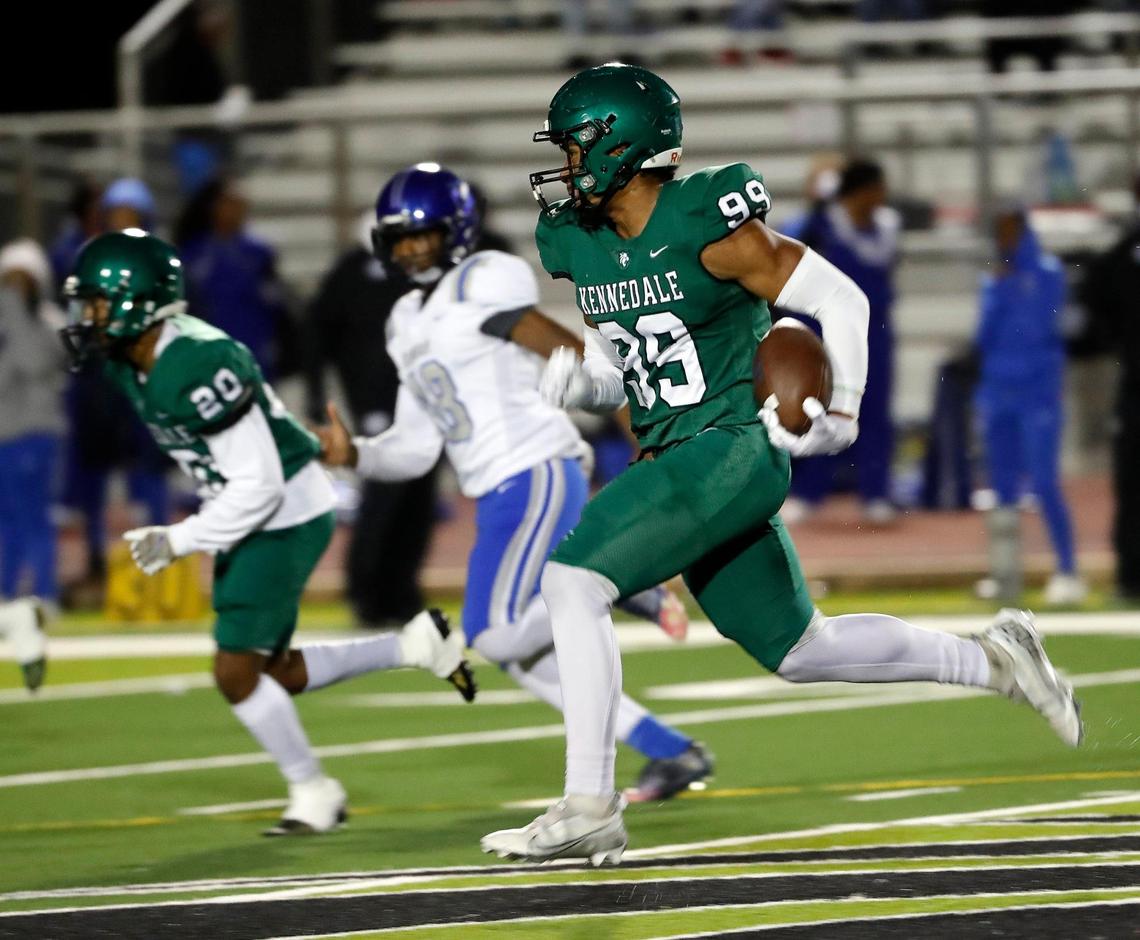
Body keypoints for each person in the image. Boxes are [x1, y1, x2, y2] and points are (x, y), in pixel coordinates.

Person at [481, 63, 1082, 866]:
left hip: (730, 443)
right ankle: (997, 659)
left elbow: (841, 300)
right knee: (802, 650)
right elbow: (627, 367)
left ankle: (590, 804)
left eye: (575, 145)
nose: (565, 164)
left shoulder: (708, 223)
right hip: (680, 454)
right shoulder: (580, 241)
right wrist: (586, 384)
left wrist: (843, 413)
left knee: (572, 580)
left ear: (621, 144)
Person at [317, 163, 711, 803]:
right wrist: (354, 453)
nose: (412, 249)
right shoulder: (404, 320)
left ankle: (616, 581)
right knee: (520, 654)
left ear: (456, 230)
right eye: (400, 238)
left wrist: (633, 421)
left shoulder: (482, 278)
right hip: (501, 488)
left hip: (535, 468)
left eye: (424, 234)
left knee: (493, 631)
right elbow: (414, 449)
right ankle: (671, 751)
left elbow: (560, 348)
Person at [60, 229, 476, 835]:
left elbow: (259, 484)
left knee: (235, 672)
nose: (86, 318)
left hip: (281, 510)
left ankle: (313, 789)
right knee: (273, 669)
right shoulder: (134, 361)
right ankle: (413, 646)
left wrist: (180, 539)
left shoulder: (194, 363)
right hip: (256, 506)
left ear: (136, 303)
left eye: (96, 304)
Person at [303, 213, 437, 628]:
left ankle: (402, 590)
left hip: (421, 401)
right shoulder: (351, 272)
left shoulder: (420, 273)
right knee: (383, 499)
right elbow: (316, 331)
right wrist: (315, 391)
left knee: (418, 499)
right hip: (376, 400)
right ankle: (366, 591)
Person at [974, 205, 1085, 606]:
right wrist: (997, 292)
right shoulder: (993, 280)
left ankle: (1068, 570)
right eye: (999, 232)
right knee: (1002, 485)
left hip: (1039, 394)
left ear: (1023, 231)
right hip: (998, 390)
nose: (1003, 240)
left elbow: (1046, 327)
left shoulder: (1049, 274)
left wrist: (1007, 288)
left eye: (1009, 231)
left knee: (1043, 481)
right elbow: (983, 336)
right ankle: (1005, 574)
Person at [782, 158, 899, 525]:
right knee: (821, 409)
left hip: (875, 332)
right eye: (876, 189)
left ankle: (875, 493)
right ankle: (808, 492)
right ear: (860, 191)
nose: (882, 196)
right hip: (828, 331)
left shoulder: (887, 227)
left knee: (874, 411)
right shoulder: (820, 224)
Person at [0, 239, 65, 690]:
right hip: (4, 435)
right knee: (6, 521)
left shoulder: (48, 322)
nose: (13, 289)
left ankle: (44, 596)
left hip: (36, 434)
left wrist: (13, 313)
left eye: (20, 282)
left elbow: (32, 362)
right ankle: (7, 599)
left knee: (34, 519)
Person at [1082, 175, 1140, 600]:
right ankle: (1131, 577)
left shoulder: (1120, 255)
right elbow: (1096, 315)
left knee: (1133, 482)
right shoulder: (1120, 256)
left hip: (1134, 383)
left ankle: (1130, 578)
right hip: (1136, 386)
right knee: (1133, 482)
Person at [177, 177, 296, 381]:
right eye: (228, 204)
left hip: (254, 354)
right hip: (209, 356)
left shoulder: (259, 254)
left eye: (240, 205)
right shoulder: (193, 254)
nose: (235, 211)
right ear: (213, 207)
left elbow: (275, 304)